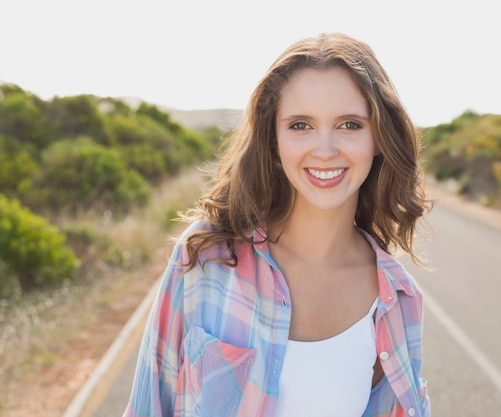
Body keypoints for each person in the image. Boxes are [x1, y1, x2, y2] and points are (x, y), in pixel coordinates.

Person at [123, 32, 432, 417]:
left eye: (350, 125)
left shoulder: (396, 298)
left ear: (379, 138)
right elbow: (149, 406)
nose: (325, 150)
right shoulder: (206, 256)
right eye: (300, 125)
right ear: (273, 139)